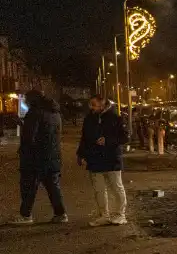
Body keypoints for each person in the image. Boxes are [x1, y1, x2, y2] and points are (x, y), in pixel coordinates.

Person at [11, 90, 67, 224]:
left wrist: (24, 151)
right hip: (53, 156)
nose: (24, 101)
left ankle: (25, 215)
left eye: (26, 99)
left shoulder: (34, 113)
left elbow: (30, 137)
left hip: (35, 157)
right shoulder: (55, 113)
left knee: (29, 187)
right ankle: (61, 214)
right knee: (53, 187)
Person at [77, 94, 128, 226]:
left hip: (111, 158)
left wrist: (108, 140)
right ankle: (104, 215)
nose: (92, 107)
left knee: (116, 187)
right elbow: (84, 138)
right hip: (95, 158)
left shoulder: (115, 118)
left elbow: (124, 137)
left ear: (103, 104)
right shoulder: (89, 119)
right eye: (91, 105)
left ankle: (120, 215)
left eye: (94, 105)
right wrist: (81, 154)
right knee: (99, 189)